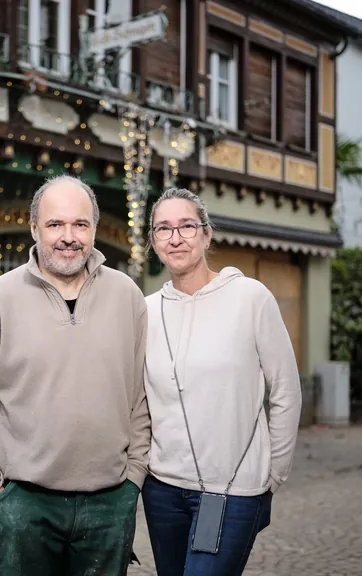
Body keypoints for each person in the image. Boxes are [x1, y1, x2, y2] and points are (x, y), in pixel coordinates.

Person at [0, 174, 151, 576]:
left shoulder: (127, 296)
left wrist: (133, 479)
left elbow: (141, 396)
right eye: (55, 224)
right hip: (23, 504)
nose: (68, 237)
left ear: (94, 229)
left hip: (110, 505)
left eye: (80, 224)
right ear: (34, 229)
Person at [140, 187, 302, 575]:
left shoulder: (250, 298)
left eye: (187, 226)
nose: (175, 238)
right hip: (162, 490)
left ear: (207, 234)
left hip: (231, 490)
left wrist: (273, 473)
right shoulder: (145, 311)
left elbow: (285, 389)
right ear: (153, 241)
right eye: (163, 229)